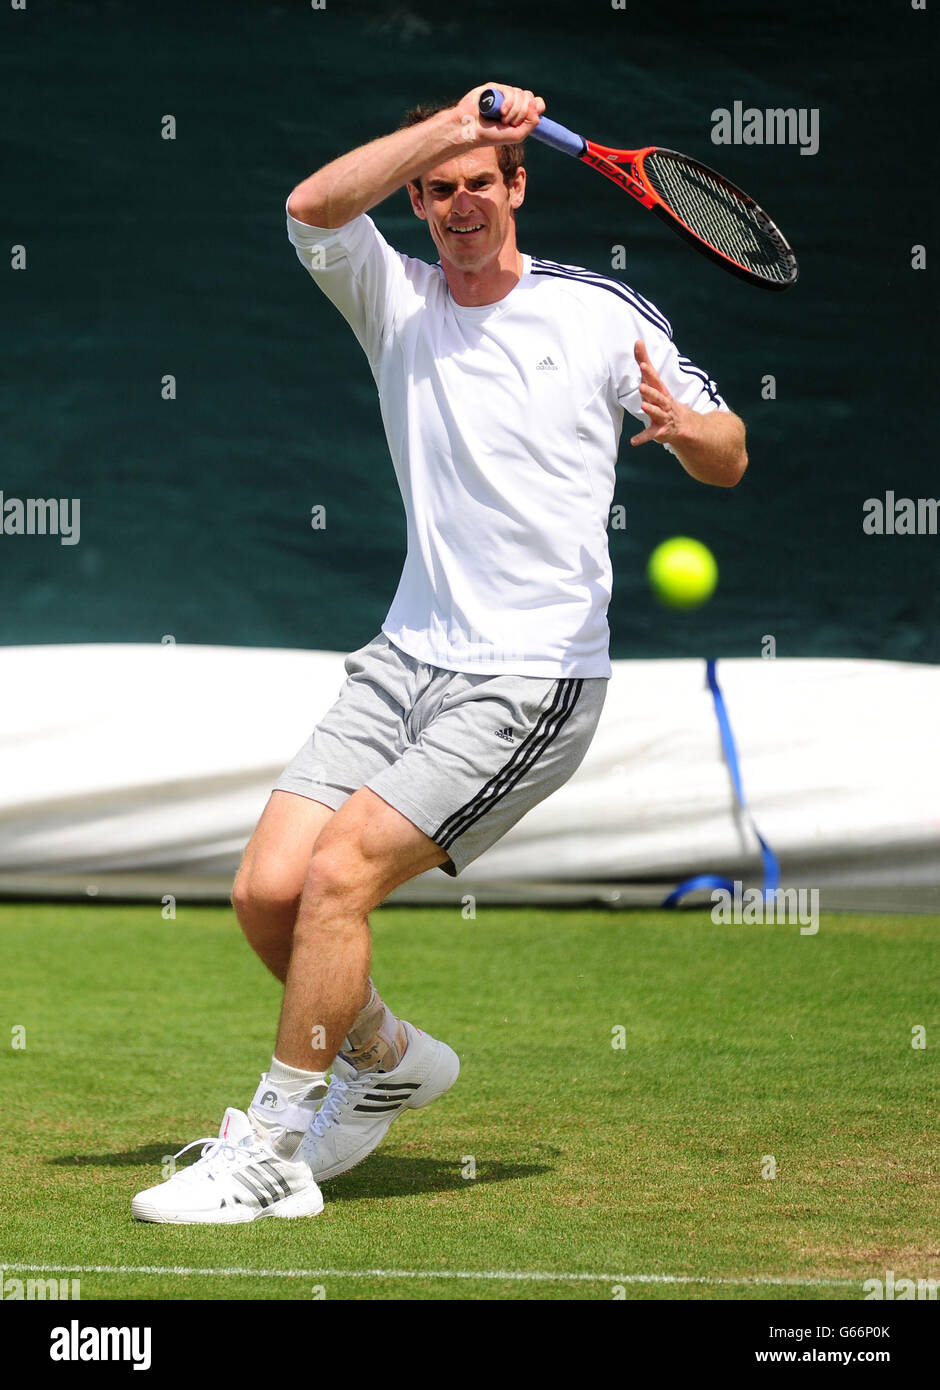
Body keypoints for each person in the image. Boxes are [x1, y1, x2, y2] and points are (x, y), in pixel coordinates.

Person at [132, 83, 746, 1224]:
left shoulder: (600, 312)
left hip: (531, 679)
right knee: (268, 892)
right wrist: (457, 120)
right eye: (438, 189)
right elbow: (313, 205)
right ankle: (388, 1056)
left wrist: (693, 430)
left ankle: (271, 1147)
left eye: (480, 183)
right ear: (417, 199)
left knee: (336, 878)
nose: (460, 204)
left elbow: (728, 453)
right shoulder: (393, 298)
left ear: (517, 188)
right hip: (404, 658)